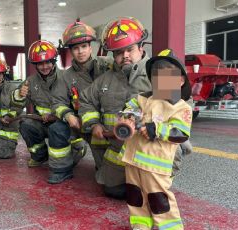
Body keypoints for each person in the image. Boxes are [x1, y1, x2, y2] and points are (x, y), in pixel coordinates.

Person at [79, 17, 151, 199]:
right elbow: (86, 99)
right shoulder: (105, 79)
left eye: (130, 49)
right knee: (112, 190)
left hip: (148, 145)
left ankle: (151, 181)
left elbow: (180, 105)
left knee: (151, 191)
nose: (125, 55)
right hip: (117, 146)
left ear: (141, 48)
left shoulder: (159, 72)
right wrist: (93, 123)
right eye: (119, 52)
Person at [120, 48, 192, 230]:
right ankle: (140, 225)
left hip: (156, 166)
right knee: (135, 196)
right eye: (156, 75)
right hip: (133, 161)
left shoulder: (181, 107)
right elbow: (128, 108)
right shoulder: (143, 98)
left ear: (180, 80)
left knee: (159, 199)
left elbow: (180, 133)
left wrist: (156, 129)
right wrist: (128, 117)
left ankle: (170, 227)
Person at [47, 21, 111, 184]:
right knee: (56, 129)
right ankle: (61, 170)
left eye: (83, 46)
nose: (80, 51)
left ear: (91, 48)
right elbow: (57, 103)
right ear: (71, 52)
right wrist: (68, 116)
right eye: (75, 48)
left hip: (104, 126)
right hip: (79, 124)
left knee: (108, 177)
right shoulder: (65, 77)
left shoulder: (107, 66)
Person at [11, 40, 61, 167]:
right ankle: (40, 155)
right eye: (40, 63)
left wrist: (55, 115)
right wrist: (19, 95)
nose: (44, 67)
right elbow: (17, 105)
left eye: (47, 62)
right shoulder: (30, 82)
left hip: (63, 124)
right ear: (35, 64)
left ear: (53, 61)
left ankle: (73, 152)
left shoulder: (65, 78)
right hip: (42, 124)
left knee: (68, 158)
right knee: (26, 124)